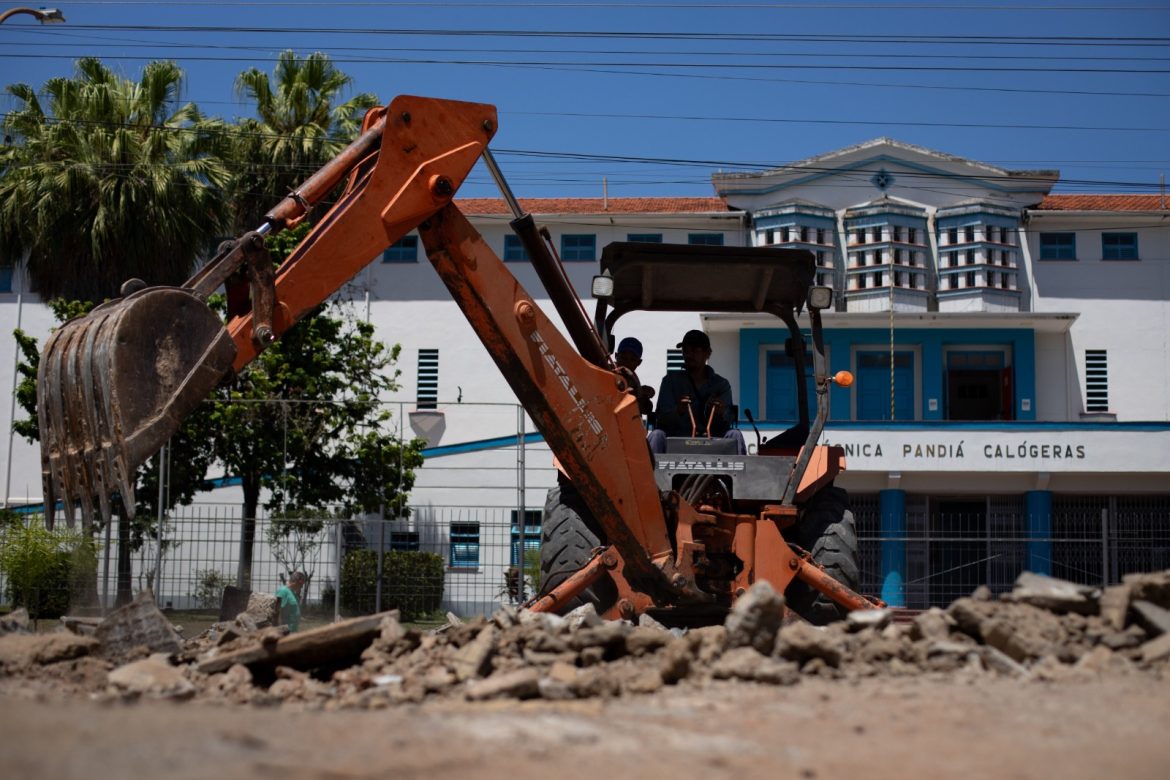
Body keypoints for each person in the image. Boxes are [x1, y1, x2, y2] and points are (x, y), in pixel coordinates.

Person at [649, 330, 746, 455]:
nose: (688, 355)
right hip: (677, 442)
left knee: (735, 434)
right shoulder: (670, 381)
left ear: (708, 353)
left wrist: (721, 412)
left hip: (714, 444)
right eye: (685, 351)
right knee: (656, 435)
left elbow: (728, 419)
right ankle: (650, 474)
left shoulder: (721, 384)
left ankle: (739, 474)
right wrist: (678, 410)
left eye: (694, 351)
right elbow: (661, 417)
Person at [613, 336, 654, 417]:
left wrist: (645, 393)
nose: (627, 362)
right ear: (616, 356)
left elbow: (644, 408)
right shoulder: (608, 372)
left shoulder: (634, 381)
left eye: (632, 359)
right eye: (624, 358)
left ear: (639, 362)